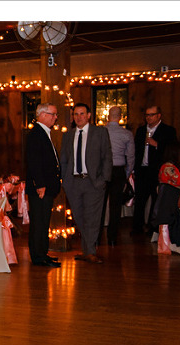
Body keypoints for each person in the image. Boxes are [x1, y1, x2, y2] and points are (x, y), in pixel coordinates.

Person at [59, 103, 113, 264]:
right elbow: (64, 160)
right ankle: (87, 250)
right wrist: (64, 179)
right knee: (79, 217)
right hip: (73, 183)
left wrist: (103, 179)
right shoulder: (68, 135)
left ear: (89, 115)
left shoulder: (100, 132)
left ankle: (90, 251)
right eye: (76, 114)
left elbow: (107, 157)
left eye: (82, 114)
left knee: (92, 217)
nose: (79, 117)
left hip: (93, 182)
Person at [25, 102, 62, 267]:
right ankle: (38, 256)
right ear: (42, 115)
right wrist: (40, 184)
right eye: (53, 114)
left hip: (46, 186)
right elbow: (34, 162)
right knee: (39, 222)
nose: (55, 117)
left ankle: (43, 253)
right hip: (41, 188)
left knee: (43, 221)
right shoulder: (36, 134)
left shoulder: (43, 133)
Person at [133, 105, 177, 235]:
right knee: (140, 199)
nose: (148, 118)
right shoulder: (141, 130)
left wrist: (157, 144)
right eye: (146, 115)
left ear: (159, 115)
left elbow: (172, 150)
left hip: (158, 171)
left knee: (157, 200)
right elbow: (136, 150)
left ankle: (153, 228)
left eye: (151, 115)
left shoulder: (168, 130)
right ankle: (137, 228)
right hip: (142, 170)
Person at [102, 106, 135, 246]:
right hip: (119, 170)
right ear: (121, 117)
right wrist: (127, 173)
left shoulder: (101, 132)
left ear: (108, 117)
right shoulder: (126, 134)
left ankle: (96, 237)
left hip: (103, 170)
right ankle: (112, 237)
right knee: (115, 205)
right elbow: (131, 156)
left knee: (100, 204)